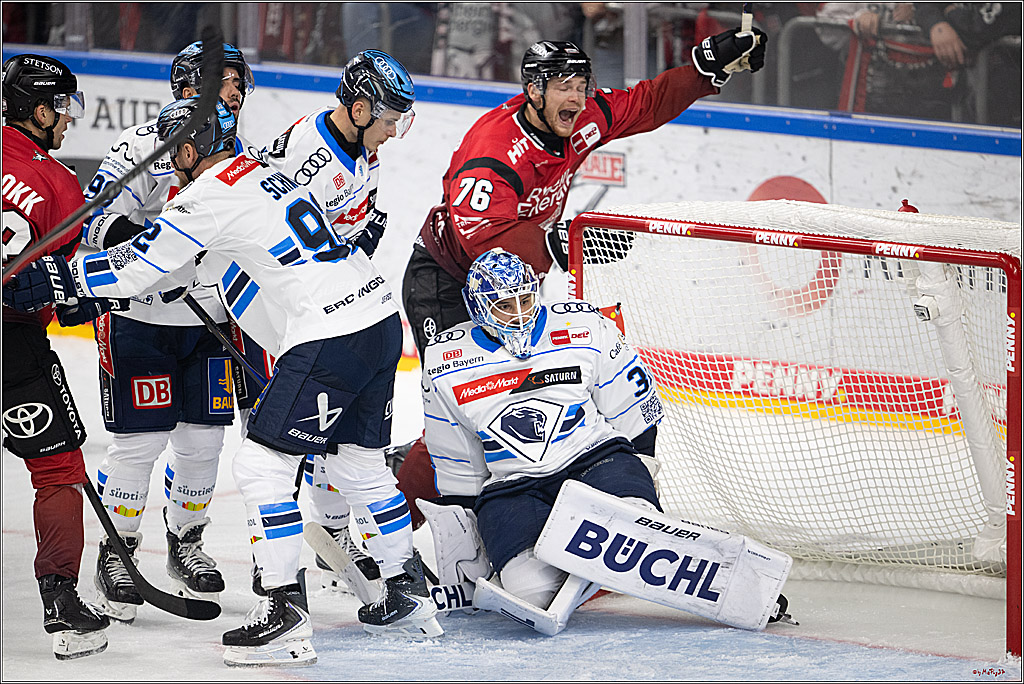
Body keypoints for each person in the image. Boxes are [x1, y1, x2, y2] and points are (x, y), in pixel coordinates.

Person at [4, 94, 440, 666]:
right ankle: (404, 592)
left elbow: (142, 262)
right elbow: (199, 263)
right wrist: (104, 287)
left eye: (170, 153)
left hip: (329, 332)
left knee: (262, 464)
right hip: (378, 321)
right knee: (357, 463)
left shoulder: (204, 197)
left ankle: (284, 613)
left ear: (188, 149)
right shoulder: (262, 174)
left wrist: (62, 279)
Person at [399, 31, 768, 526]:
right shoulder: (493, 151)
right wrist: (556, 245)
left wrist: (705, 67)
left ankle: (519, 506)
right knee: (462, 406)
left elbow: (645, 103)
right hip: (447, 280)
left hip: (514, 288)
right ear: (533, 90)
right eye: (562, 86)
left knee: (521, 397)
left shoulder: (582, 118)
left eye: (581, 84)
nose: (576, 97)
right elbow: (476, 240)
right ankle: (394, 530)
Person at [419, 248, 794, 635]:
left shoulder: (583, 326)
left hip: (594, 460)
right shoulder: (445, 361)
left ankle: (640, 545)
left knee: (633, 523)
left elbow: (633, 403)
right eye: (503, 307)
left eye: (525, 300)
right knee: (532, 591)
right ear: (479, 309)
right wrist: (470, 535)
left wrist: (642, 475)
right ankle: (609, 558)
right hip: (514, 487)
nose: (519, 313)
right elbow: (455, 457)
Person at [78, 41, 265, 624]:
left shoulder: (247, 157)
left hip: (210, 320)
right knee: (138, 443)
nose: (232, 95)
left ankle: (186, 543)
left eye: (236, 87)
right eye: (222, 84)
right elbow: (97, 219)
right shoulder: (141, 146)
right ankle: (120, 550)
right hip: (140, 320)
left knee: (204, 440)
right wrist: (162, 235)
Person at [257, 48, 415, 597]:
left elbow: (344, 222)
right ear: (362, 106)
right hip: (286, 309)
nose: (394, 131)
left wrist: (362, 232)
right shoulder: (311, 156)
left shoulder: (359, 145)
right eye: (390, 118)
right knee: (281, 443)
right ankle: (272, 555)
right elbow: (266, 230)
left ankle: (331, 532)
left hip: (334, 302)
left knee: (335, 437)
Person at [2, 53, 111, 660]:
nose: (68, 120)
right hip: (13, 345)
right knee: (60, 469)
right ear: (39, 110)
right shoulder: (58, 184)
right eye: (62, 108)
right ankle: (62, 606)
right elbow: (74, 301)